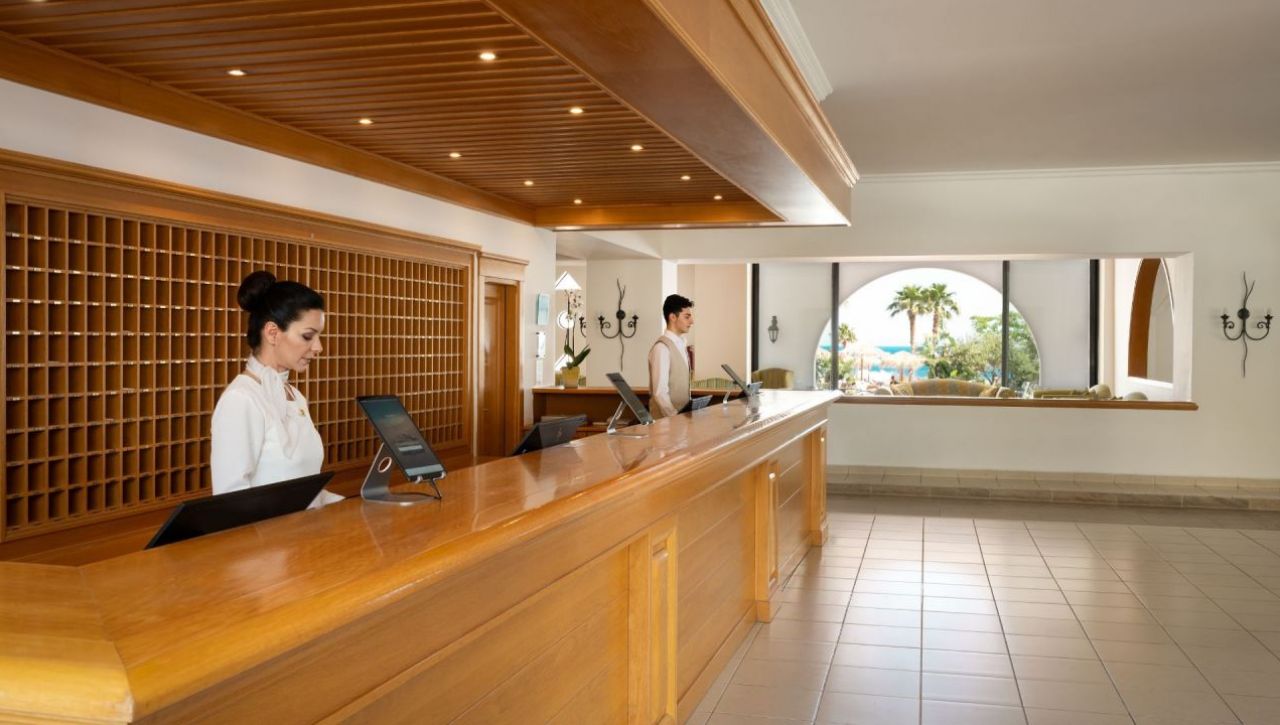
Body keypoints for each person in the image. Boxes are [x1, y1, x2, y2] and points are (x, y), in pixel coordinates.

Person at [211, 271, 342, 508]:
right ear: (272, 333)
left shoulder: (295, 396)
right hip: (272, 533)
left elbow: (305, 489)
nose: (319, 347)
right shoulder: (241, 399)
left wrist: (352, 506)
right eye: (308, 336)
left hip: (307, 528)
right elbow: (230, 504)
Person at [647, 294, 694, 419]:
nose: (691, 321)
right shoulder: (661, 348)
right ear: (672, 317)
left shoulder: (681, 344)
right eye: (687, 317)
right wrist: (675, 417)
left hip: (681, 422)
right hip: (666, 423)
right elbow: (660, 393)